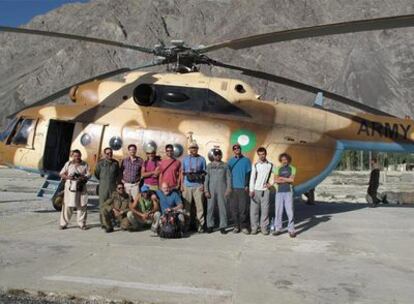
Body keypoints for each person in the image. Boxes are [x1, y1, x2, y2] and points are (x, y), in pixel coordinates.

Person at [59, 150, 90, 230]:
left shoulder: (85, 164)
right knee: (67, 206)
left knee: (82, 205)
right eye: (75, 156)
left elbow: (89, 174)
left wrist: (83, 177)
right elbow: (61, 174)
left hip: (81, 186)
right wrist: (69, 177)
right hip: (70, 187)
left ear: (81, 155)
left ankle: (82, 224)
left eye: (78, 155)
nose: (77, 157)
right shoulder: (68, 164)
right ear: (72, 156)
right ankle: (63, 224)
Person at [204, 148, 232, 234]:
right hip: (211, 189)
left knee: (222, 207)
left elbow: (228, 178)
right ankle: (210, 225)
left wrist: (228, 189)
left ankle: (223, 226)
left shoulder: (225, 165)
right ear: (213, 156)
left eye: (219, 154)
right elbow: (206, 179)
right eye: (216, 155)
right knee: (210, 208)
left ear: (221, 155)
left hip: (222, 189)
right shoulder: (209, 166)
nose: (217, 156)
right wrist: (206, 190)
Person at [181, 141, 207, 232]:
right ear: (189, 149)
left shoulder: (202, 159)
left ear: (197, 149)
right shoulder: (185, 159)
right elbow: (182, 173)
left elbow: (204, 173)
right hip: (187, 185)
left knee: (199, 207)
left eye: (195, 148)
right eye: (191, 148)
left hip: (198, 186)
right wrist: (182, 185)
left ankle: (200, 226)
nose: (193, 150)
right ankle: (186, 225)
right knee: (187, 207)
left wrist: (203, 185)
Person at [249, 147, 273, 235]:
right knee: (254, 211)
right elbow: (252, 178)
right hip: (256, 190)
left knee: (265, 211)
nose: (261, 156)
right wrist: (251, 190)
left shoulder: (270, 165)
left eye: (263, 154)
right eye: (259, 155)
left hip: (265, 191)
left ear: (265, 154)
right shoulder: (255, 165)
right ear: (258, 155)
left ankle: (264, 228)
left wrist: (271, 183)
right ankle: (254, 228)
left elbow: (273, 175)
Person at [228, 144, 251, 234]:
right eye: (235, 149)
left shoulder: (246, 160)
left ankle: (244, 226)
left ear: (240, 149)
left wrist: (246, 185)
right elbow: (228, 175)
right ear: (233, 151)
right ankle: (236, 226)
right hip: (233, 188)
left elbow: (248, 173)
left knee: (243, 208)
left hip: (242, 188)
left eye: (238, 148)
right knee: (234, 208)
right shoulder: (231, 161)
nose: (236, 150)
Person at [95, 147, 120, 226]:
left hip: (112, 186)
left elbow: (117, 174)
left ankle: (112, 221)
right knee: (102, 204)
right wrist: (103, 180)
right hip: (103, 186)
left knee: (112, 204)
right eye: (108, 153)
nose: (110, 154)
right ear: (105, 154)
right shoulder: (100, 163)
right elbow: (97, 173)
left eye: (111, 153)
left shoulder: (115, 163)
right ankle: (103, 222)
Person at [273, 153, 297, 238]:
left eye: (285, 159)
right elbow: (275, 180)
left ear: (288, 160)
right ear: (281, 160)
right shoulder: (277, 168)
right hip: (279, 192)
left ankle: (291, 230)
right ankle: (278, 229)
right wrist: (286, 179)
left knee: (290, 211)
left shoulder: (293, 168)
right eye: (282, 160)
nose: (284, 161)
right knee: (278, 211)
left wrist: (282, 178)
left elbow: (292, 180)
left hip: (288, 192)